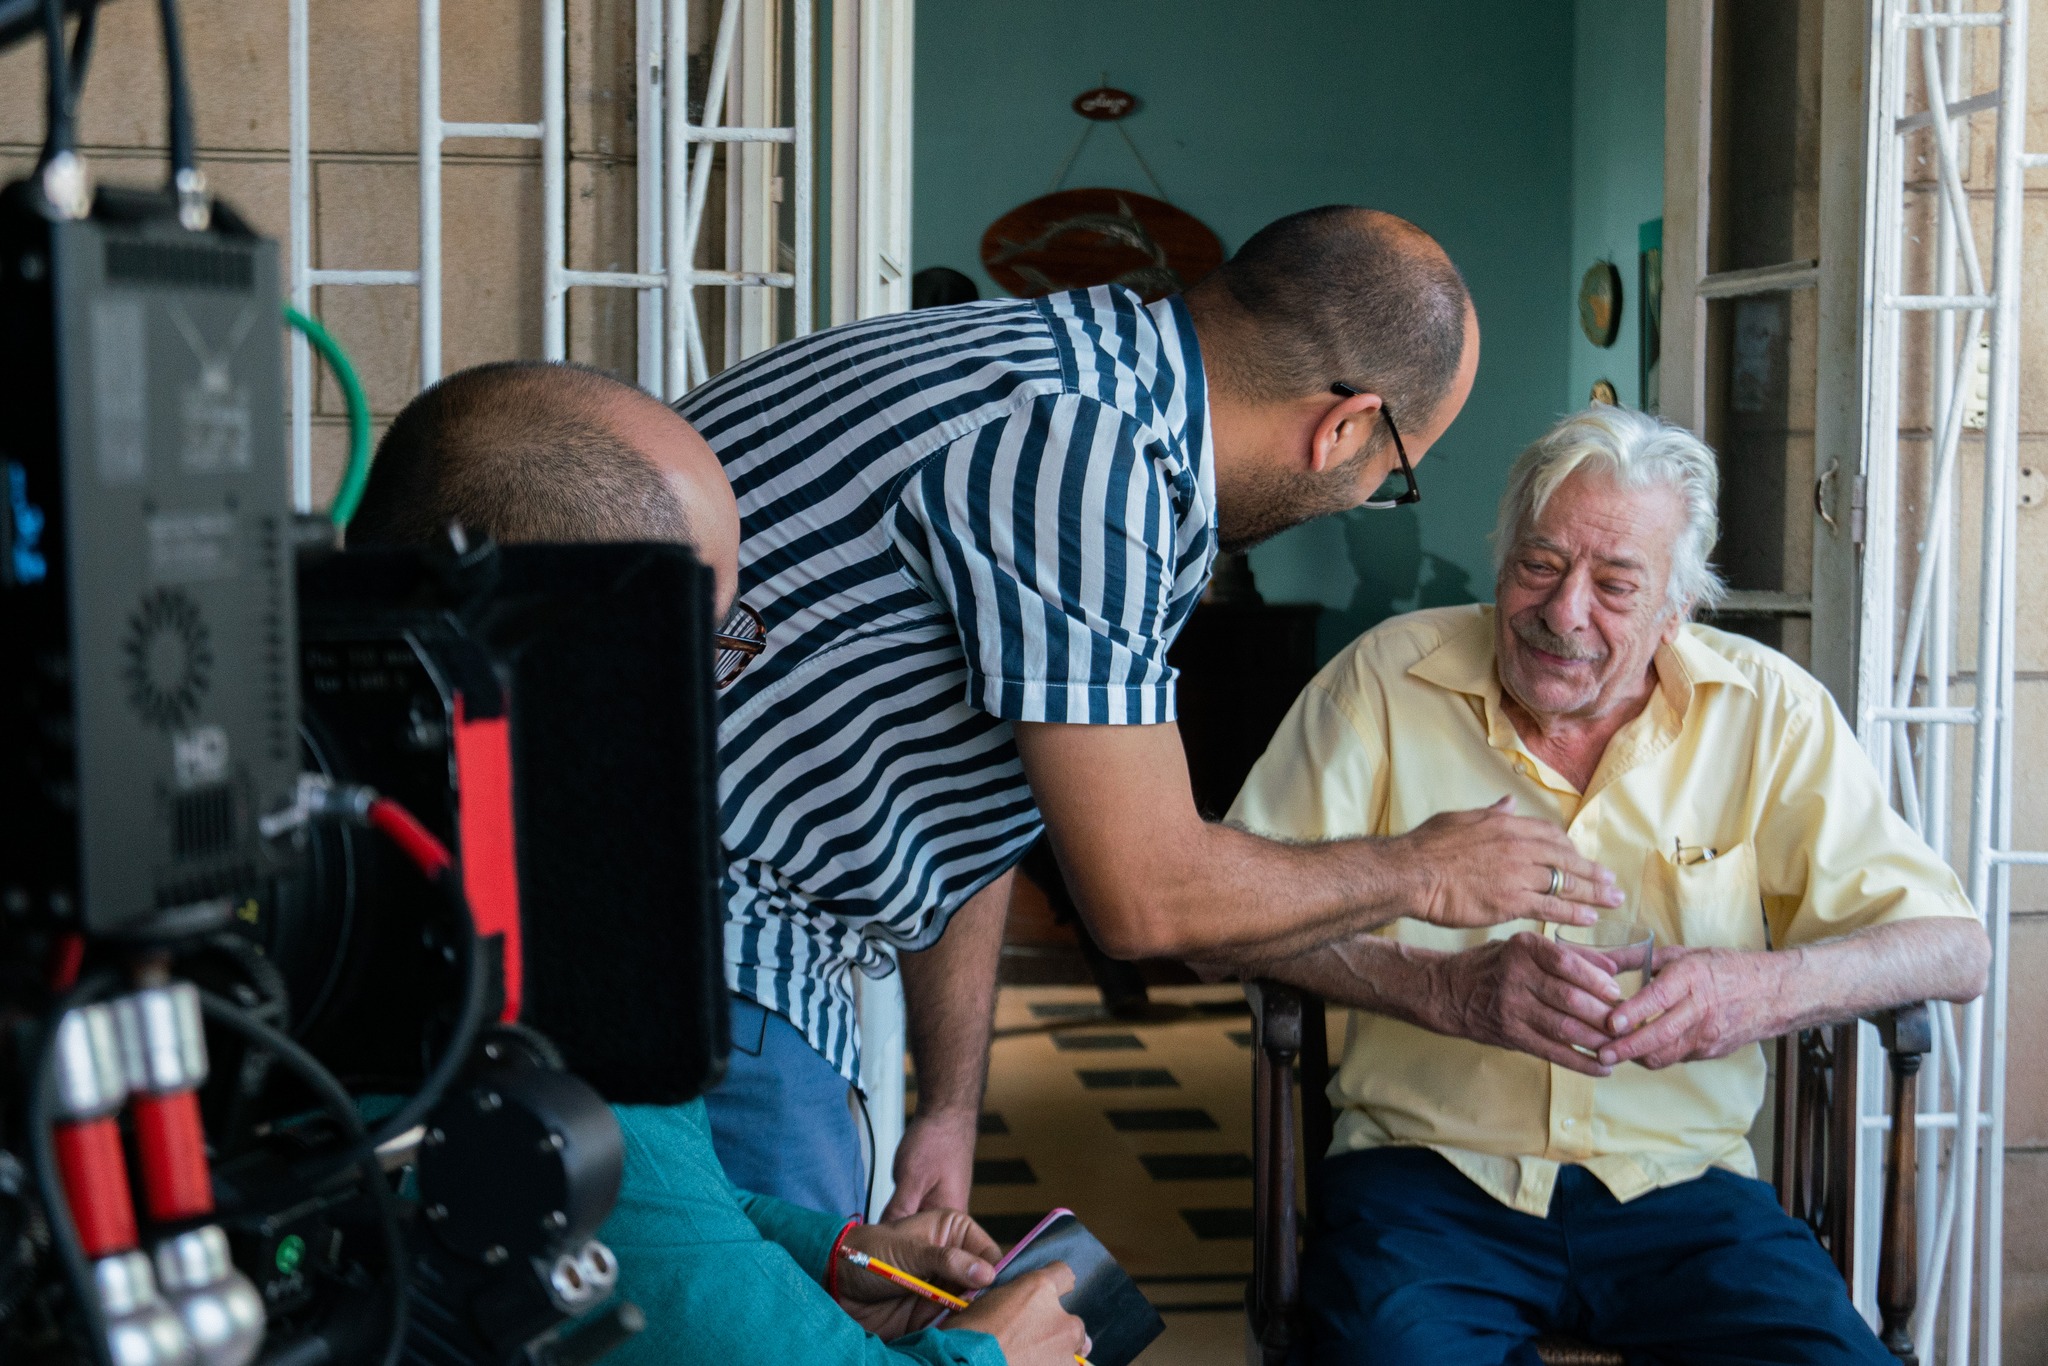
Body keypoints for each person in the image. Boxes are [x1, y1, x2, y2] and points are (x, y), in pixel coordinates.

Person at [680, 205, 1628, 1221]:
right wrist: (1427, 868)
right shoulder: (1088, 454)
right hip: (705, 943)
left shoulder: (1084, 381)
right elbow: (1147, 899)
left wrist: (948, 1106)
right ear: (1342, 425)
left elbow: (974, 787)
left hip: (722, 945)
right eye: (1387, 477)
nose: (1363, 496)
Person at [350, 361, 1090, 1366]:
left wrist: (821, 1251)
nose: (718, 685)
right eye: (710, 637)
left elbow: (634, 1200)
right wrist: (998, 1355)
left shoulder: (358, 856)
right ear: (568, 639)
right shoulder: (545, 944)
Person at [1225, 406, 1990, 1364]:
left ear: (1678, 606)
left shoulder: (1770, 713)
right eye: (1540, 564)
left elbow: (1955, 948)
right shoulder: (1383, 682)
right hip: (1427, 1185)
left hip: (1686, 1197)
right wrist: (1441, 989)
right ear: (1502, 558)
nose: (1564, 610)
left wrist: (1760, 991)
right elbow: (1221, 915)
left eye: (1616, 584)